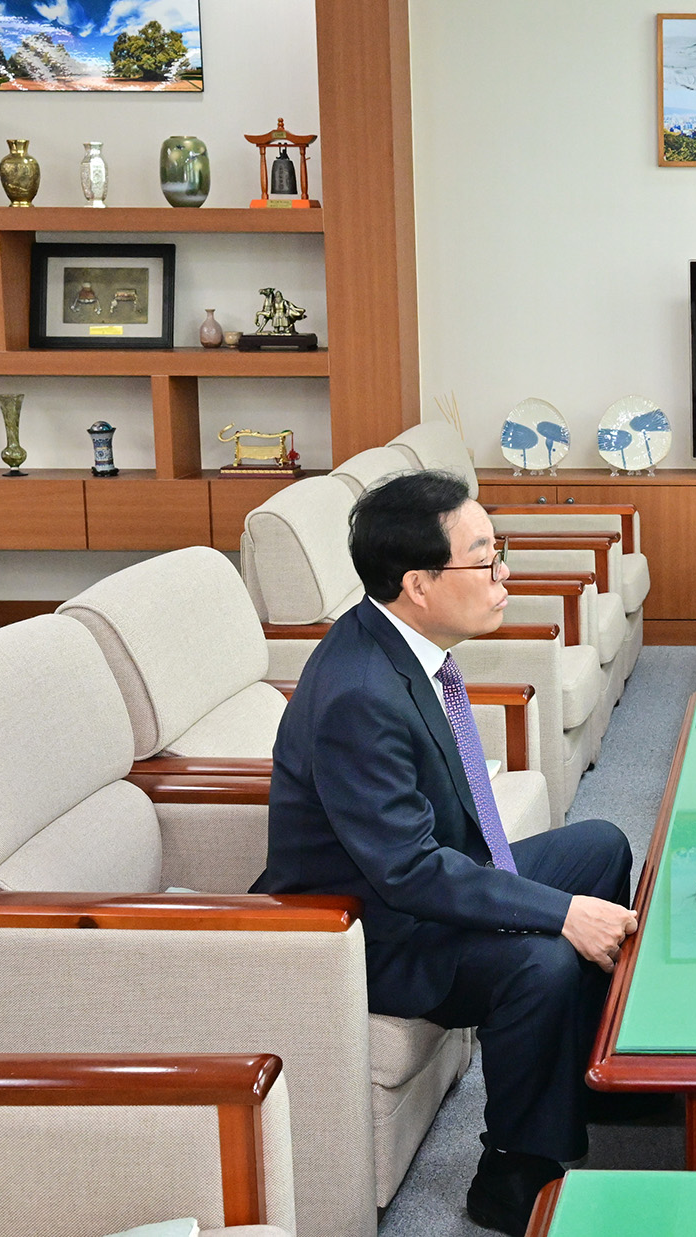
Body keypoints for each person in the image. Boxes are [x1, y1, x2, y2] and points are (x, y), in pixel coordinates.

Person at [255, 471, 640, 1237]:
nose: (504, 577)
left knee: (600, 845)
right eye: (485, 560)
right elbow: (408, 871)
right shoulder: (359, 692)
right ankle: (512, 1170)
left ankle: (584, 1074)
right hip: (371, 931)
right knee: (544, 960)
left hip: (426, 882)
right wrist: (558, 914)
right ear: (418, 583)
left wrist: (555, 902)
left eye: (501, 554)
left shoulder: (405, 642)